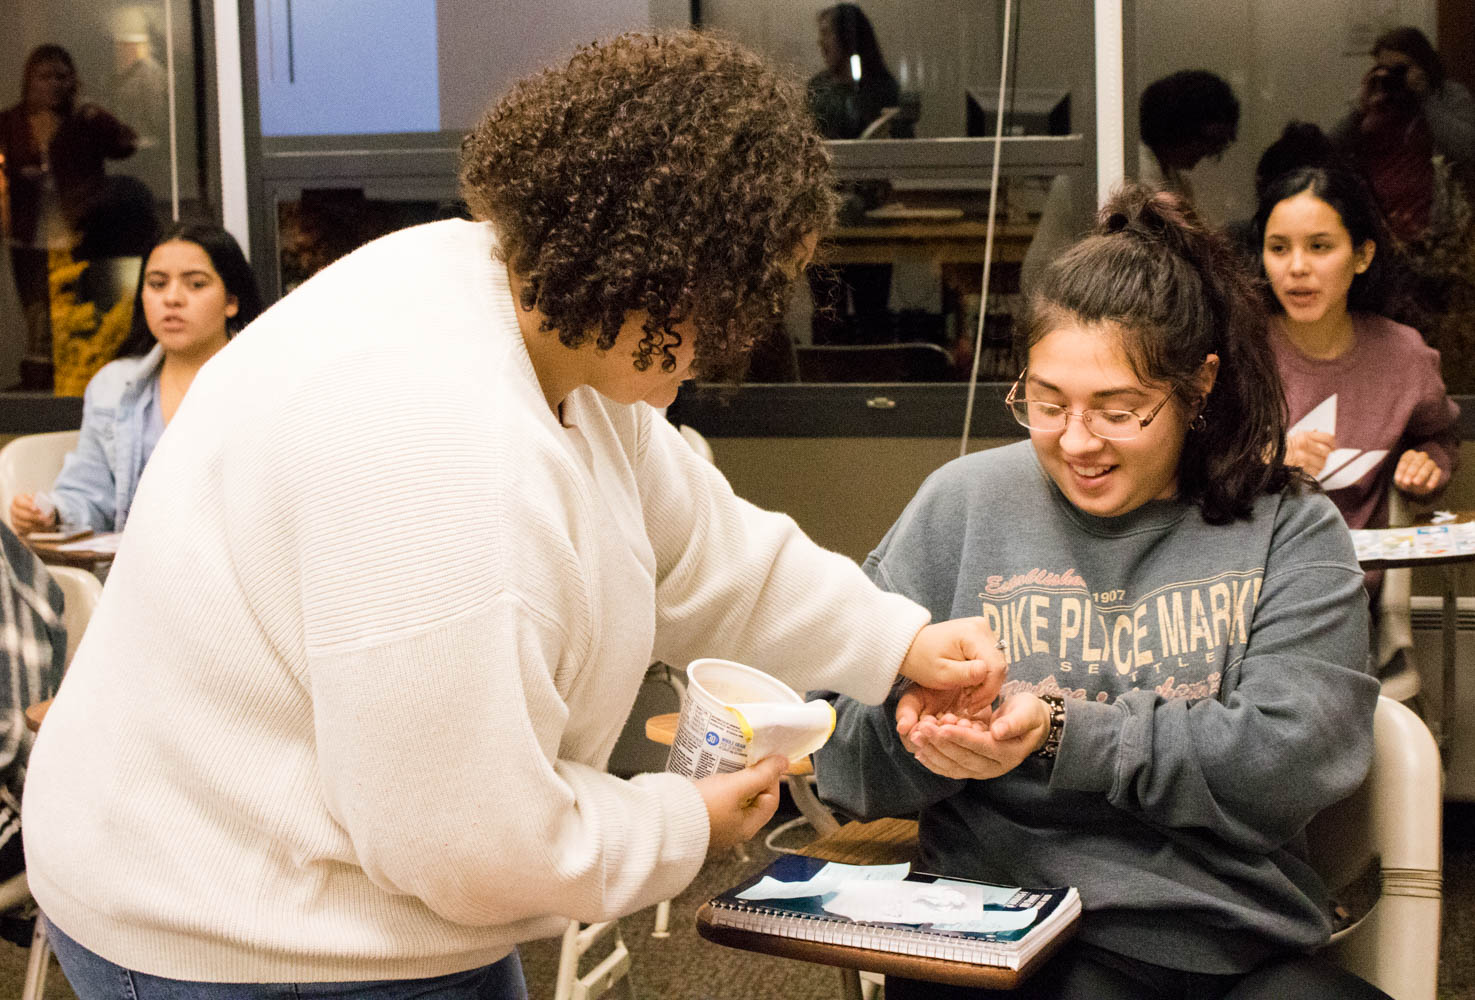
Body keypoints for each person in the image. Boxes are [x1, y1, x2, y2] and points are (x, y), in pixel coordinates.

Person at [21, 31, 1006, 999]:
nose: (725, 342)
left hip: (341, 874)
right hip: (231, 920)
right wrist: (685, 824)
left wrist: (899, 643)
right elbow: (466, 841)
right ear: (650, 272)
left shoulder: (531, 306)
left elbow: (702, 548)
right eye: (729, 300)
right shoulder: (443, 446)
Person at [815, 186, 1387, 1000]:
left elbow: (1289, 763)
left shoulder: (1288, 527)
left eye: (1118, 411)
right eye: (1046, 404)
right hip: (1002, 927)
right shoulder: (962, 503)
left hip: (1220, 940)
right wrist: (918, 735)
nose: (1076, 442)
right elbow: (832, 743)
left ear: (1199, 387)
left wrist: (1057, 733)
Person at [8, 222, 262, 537]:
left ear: (232, 301)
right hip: (138, 575)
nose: (172, 298)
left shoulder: (267, 381)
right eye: (157, 284)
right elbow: (91, 497)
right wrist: (51, 512)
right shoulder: (112, 387)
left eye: (196, 284)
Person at [1258, 165, 1458, 545]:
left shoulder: (1404, 356)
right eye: (1279, 248)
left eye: (1319, 246)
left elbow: (1440, 438)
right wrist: (1271, 461)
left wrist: (1427, 464)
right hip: (1252, 580)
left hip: (1356, 582)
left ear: (1362, 256)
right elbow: (1193, 474)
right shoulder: (1239, 351)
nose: (1297, 267)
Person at [0, 46, 138, 385]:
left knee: (82, 311)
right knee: (36, 313)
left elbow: (126, 145)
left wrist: (92, 109)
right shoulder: (9, 121)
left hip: (81, 232)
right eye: (45, 76)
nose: (53, 84)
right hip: (28, 235)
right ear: (29, 80)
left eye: (62, 76)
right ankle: (39, 386)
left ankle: (83, 384)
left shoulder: (83, 120)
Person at [1331, 26, 1475, 243]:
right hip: (1377, 232)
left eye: (1399, 70)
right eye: (1383, 69)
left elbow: (1466, 149)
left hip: (1435, 233)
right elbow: (1329, 152)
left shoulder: (1448, 97)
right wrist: (1359, 110)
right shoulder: (1373, 100)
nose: (1391, 78)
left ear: (1423, 66)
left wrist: (1425, 98)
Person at [1137, 69, 1239, 211]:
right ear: (1180, 127)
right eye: (1205, 139)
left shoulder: (1179, 183)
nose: (1206, 152)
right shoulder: (1138, 172)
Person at [806, 4, 904, 141]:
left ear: (845, 37)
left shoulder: (881, 89)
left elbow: (900, 144)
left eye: (826, 33)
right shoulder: (817, 88)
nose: (820, 42)